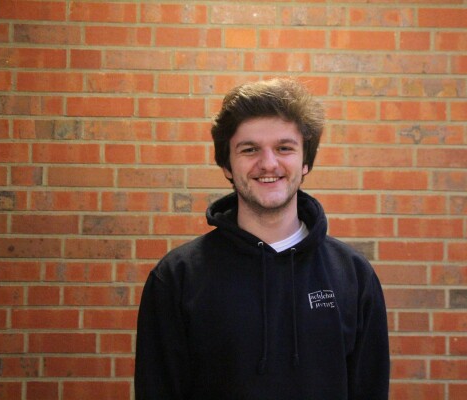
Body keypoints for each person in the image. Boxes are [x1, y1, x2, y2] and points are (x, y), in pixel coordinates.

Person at [135, 79, 390, 399]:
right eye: (250, 149)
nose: (268, 164)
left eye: (284, 148)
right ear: (227, 165)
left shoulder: (353, 276)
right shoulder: (177, 277)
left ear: (305, 161)